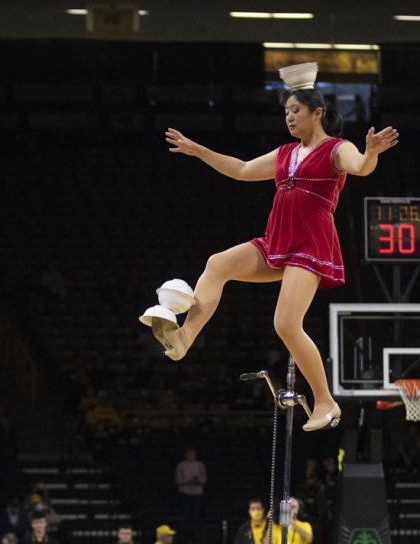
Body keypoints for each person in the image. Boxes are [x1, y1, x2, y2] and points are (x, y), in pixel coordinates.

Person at [140, 68, 398, 432]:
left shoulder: (337, 149)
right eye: (286, 112)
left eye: (296, 110)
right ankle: (183, 338)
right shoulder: (286, 152)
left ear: (317, 112)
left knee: (285, 323)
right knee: (218, 264)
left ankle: (325, 401)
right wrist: (199, 151)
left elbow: (361, 167)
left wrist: (371, 153)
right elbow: (243, 169)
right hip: (277, 240)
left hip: (309, 243)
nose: (289, 117)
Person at [174, 448, 207, 519]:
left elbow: (203, 479)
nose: (192, 455)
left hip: (197, 491)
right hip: (185, 491)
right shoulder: (181, 465)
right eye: (190, 453)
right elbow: (178, 479)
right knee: (186, 513)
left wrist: (198, 481)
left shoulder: (200, 465)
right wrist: (187, 481)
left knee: (196, 513)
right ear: (186, 454)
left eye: (193, 453)